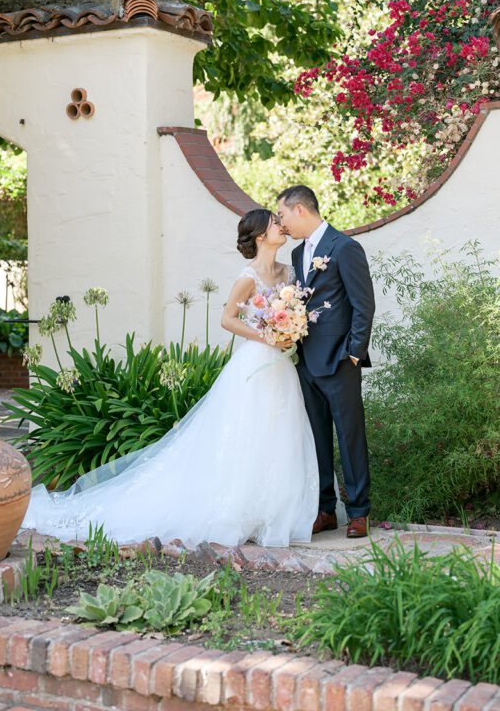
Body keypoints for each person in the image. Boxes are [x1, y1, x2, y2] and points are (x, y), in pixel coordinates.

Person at [21, 208, 318, 547]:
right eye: (275, 223)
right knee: (245, 434)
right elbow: (227, 318)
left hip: (281, 365)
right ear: (262, 236)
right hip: (254, 364)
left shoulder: (290, 271)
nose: (282, 227)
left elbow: (297, 310)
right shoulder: (248, 277)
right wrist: (266, 335)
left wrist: (291, 330)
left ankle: (274, 513)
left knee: (280, 434)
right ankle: (237, 512)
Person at [277, 185, 375, 539]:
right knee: (316, 439)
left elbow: (363, 304)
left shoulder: (345, 247)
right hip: (304, 360)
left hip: (339, 361)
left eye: (283, 215)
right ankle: (325, 509)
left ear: (300, 210)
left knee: (350, 437)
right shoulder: (296, 254)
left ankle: (359, 512)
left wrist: (354, 351)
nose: (281, 223)